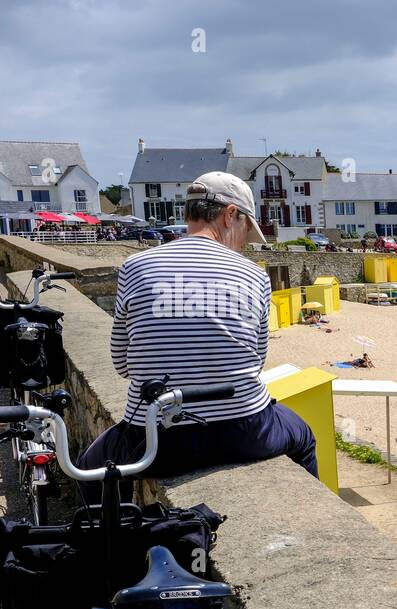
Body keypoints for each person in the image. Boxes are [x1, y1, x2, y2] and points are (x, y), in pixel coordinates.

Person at [77, 171, 316, 499]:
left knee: (90, 466)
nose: (245, 242)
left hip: (157, 442)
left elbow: (121, 364)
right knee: (304, 436)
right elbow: (256, 362)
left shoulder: (135, 266)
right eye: (246, 228)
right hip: (245, 432)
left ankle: (107, 547)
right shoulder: (255, 275)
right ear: (230, 215)